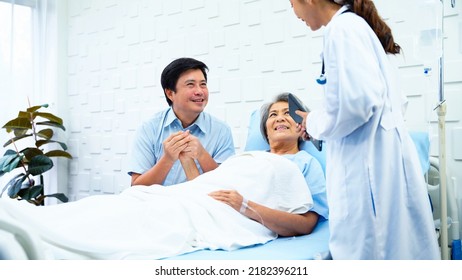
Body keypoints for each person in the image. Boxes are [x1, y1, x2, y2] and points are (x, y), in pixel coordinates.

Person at [289, 0, 439, 259]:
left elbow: (356, 106)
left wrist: (314, 122)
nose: (294, 12)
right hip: (381, 165)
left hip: (366, 174)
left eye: (291, 3)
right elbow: (384, 102)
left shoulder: (342, 29)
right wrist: (321, 125)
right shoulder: (358, 28)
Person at [187, 93, 328, 236]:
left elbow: (306, 224)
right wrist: (187, 159)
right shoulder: (244, 159)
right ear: (266, 132)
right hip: (204, 208)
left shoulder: (305, 163)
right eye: (273, 115)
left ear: (301, 128)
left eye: (287, 113)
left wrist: (245, 206)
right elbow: (208, 190)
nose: (280, 118)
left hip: (231, 221)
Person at [128, 57, 235, 186]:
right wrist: (167, 159)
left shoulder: (221, 130)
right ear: (170, 93)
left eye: (203, 84)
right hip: (156, 202)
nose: (200, 91)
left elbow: (227, 186)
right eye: (190, 85)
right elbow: (136, 186)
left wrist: (202, 154)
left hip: (201, 203)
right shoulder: (149, 128)